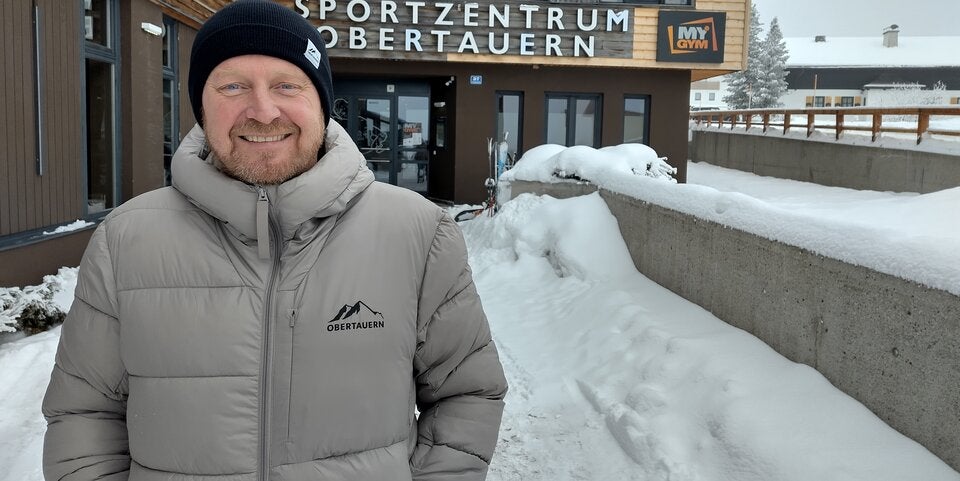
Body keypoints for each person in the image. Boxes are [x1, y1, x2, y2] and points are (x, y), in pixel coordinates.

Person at [41, 1, 507, 480]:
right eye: (233, 86)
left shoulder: (419, 233)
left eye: (287, 85)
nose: (263, 112)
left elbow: (465, 393)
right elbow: (84, 415)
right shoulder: (125, 241)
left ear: (322, 104)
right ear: (201, 106)